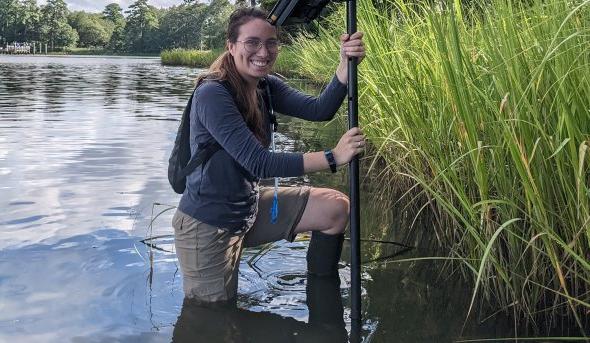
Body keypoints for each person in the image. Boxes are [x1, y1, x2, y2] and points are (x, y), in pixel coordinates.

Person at [172, 7, 366, 304]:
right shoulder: (212, 94)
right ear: (231, 45)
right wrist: (333, 157)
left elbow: (320, 110)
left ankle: (324, 295)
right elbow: (259, 162)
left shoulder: (266, 86)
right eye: (252, 42)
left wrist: (344, 65)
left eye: (272, 42)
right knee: (213, 318)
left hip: (248, 209)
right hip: (208, 225)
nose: (263, 51)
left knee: (335, 209)